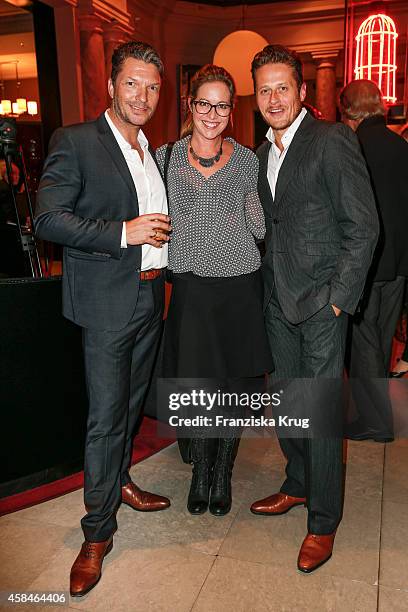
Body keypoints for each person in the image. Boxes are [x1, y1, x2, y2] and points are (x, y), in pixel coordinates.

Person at [35, 41, 172, 597]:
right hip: (108, 305)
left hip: (150, 298)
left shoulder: (149, 149)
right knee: (105, 418)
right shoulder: (77, 141)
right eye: (133, 83)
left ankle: (120, 483)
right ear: (111, 87)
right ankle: (96, 532)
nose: (142, 95)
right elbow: (48, 217)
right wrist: (125, 233)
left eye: (153, 87)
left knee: (131, 407)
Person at [249, 45, 379, 573]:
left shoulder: (332, 140)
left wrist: (338, 302)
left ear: (302, 91)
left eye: (283, 87)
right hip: (277, 300)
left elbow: (364, 226)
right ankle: (299, 483)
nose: (274, 98)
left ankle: (323, 521)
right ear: (255, 98)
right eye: (264, 89)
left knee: (320, 412)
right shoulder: (259, 156)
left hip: (323, 302)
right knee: (286, 401)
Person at [156, 64, 273, 517]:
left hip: (240, 287)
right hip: (191, 292)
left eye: (222, 105)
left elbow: (258, 224)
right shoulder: (164, 157)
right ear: (190, 105)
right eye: (204, 103)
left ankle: (221, 471)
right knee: (199, 387)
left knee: (233, 387)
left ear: (231, 109)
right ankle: (199, 471)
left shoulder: (247, 159)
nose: (212, 113)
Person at [339, 80, 408, 440]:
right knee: (381, 341)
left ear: (348, 109)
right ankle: (377, 412)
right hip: (399, 265)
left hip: (365, 262)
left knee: (362, 342)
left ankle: (374, 421)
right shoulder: (402, 146)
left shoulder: (352, 146)